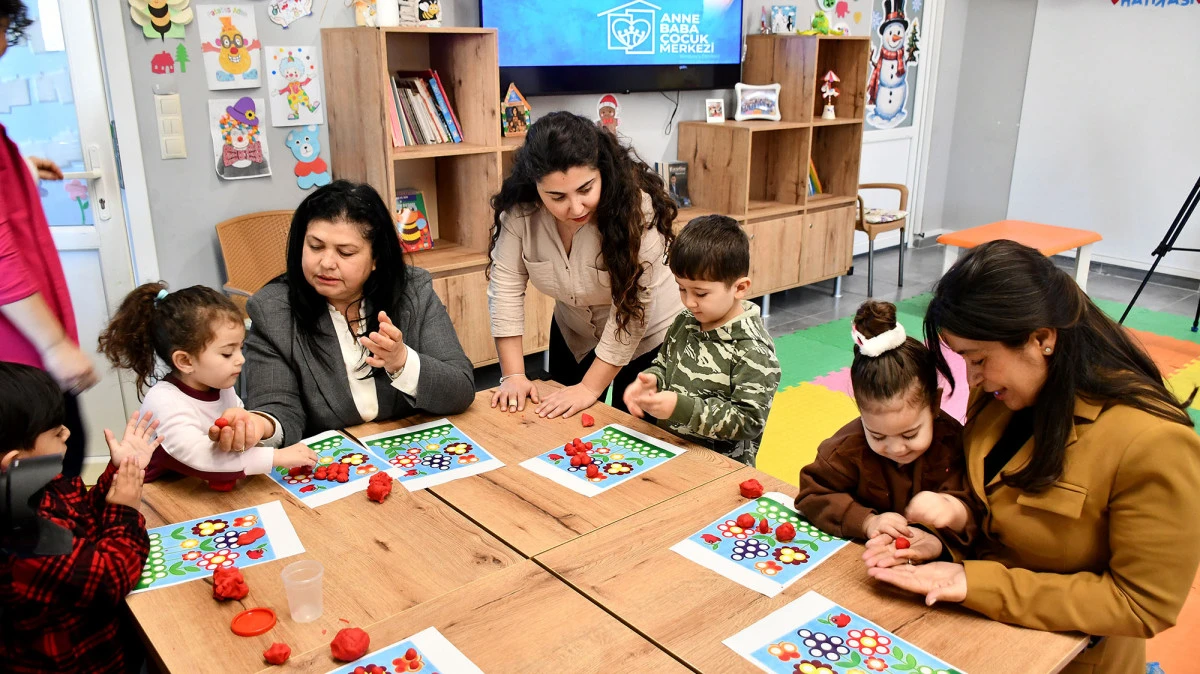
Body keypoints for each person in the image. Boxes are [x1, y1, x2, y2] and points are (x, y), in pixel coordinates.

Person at [865, 240, 1200, 674]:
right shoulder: (998, 396)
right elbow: (992, 508)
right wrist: (946, 538)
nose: (972, 378)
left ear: (1041, 338)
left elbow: (1142, 604)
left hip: (1066, 658)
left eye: (978, 358)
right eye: (964, 359)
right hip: (972, 631)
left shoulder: (1153, 442)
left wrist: (976, 583)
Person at [243, 180, 474, 445]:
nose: (326, 263)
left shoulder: (412, 291)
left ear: (376, 258)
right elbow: (277, 407)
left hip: (413, 447)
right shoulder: (272, 310)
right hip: (333, 459)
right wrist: (259, 426)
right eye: (315, 247)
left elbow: (461, 389)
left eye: (345, 252)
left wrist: (401, 361)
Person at [488, 111, 682, 418]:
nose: (575, 207)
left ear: (602, 172)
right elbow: (505, 289)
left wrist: (589, 389)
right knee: (560, 426)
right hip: (574, 334)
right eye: (557, 197)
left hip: (649, 337)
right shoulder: (520, 212)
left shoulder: (635, 209)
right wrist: (513, 376)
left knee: (632, 431)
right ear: (535, 186)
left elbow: (632, 308)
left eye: (585, 189)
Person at [0, 362, 159, 673]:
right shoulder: (22, 538)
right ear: (16, 461)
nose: (67, 432)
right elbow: (111, 577)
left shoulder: (30, 482)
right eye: (56, 431)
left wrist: (119, 472)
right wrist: (125, 511)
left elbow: (84, 518)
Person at [98, 283, 317, 490]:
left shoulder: (220, 385)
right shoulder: (164, 401)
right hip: (152, 495)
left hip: (194, 486)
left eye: (240, 348)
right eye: (227, 353)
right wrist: (276, 457)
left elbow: (230, 444)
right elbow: (204, 459)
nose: (241, 359)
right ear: (185, 361)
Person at [0, 3, 96, 478]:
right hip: (17, 358)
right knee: (52, 465)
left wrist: (18, 167)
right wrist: (55, 344)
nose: (4, 46)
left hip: (25, 353)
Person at [795, 300, 973, 544]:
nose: (896, 448)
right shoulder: (847, 450)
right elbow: (812, 495)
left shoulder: (955, 445)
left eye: (909, 434)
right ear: (861, 413)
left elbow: (981, 505)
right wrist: (866, 521)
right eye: (877, 435)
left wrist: (953, 510)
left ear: (934, 405)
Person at [622, 216, 779, 464]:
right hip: (671, 451)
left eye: (701, 293)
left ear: (740, 288)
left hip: (719, 468)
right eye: (681, 288)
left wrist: (681, 407)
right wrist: (652, 380)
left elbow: (749, 422)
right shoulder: (685, 321)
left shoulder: (753, 351)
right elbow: (664, 365)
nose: (689, 302)